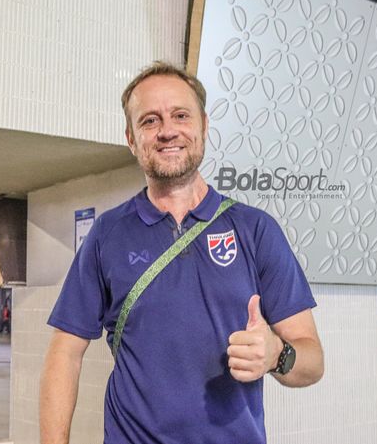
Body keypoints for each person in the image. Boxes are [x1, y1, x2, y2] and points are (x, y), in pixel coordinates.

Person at [39, 62, 325, 444]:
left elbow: (312, 361)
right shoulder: (107, 234)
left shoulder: (255, 230)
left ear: (204, 126)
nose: (167, 131)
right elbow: (64, 355)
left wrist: (276, 354)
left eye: (180, 115)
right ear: (131, 138)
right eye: (150, 121)